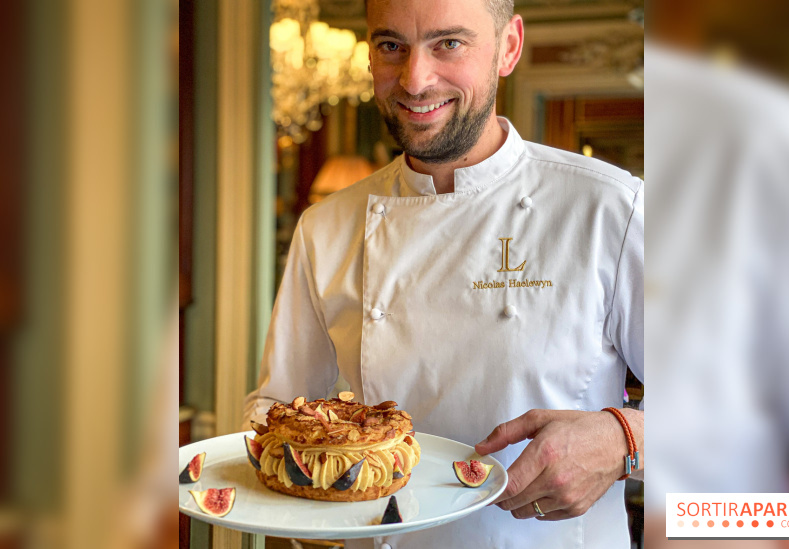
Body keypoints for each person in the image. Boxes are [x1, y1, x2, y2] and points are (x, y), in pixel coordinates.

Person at [244, 0, 644, 547]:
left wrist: (625, 438)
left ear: (508, 47)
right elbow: (278, 415)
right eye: (391, 47)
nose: (415, 79)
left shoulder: (611, 209)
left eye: (448, 44)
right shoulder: (326, 227)